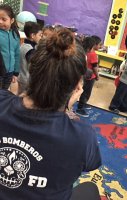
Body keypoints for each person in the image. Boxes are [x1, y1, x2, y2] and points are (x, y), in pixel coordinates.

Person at [0, 28, 101, 200]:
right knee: (90, 189)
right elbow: (90, 164)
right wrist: (66, 110)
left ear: (32, 69)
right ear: (77, 85)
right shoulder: (83, 136)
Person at [75, 36, 101, 117]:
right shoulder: (93, 54)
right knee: (86, 92)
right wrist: (97, 76)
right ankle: (80, 108)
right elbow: (95, 67)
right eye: (100, 45)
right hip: (90, 77)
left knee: (84, 91)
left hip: (84, 75)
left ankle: (83, 103)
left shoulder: (84, 53)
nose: (100, 46)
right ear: (94, 45)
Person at [18, 21, 42, 94]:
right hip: (26, 80)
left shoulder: (23, 45)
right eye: (40, 35)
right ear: (33, 35)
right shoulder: (29, 50)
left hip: (21, 78)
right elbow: (34, 66)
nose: (41, 37)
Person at [0, 4, 20, 90]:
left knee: (4, 93)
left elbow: (17, 54)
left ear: (12, 20)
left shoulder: (15, 35)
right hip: (0, 71)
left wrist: (15, 72)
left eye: (4, 19)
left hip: (10, 72)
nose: (0, 21)